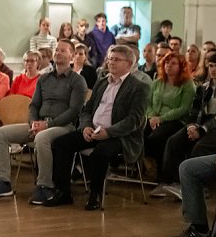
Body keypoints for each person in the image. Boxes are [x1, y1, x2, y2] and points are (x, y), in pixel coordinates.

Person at [48, 45, 150, 210]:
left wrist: (108, 132)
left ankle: (95, 195)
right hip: (94, 130)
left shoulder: (139, 87)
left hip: (121, 136)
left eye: (116, 59)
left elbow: (134, 120)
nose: (111, 62)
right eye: (110, 59)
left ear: (129, 63)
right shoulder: (102, 82)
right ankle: (63, 192)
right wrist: (86, 127)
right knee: (61, 144)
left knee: (100, 153)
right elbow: (87, 109)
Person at [0, 40, 87, 203]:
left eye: (63, 50)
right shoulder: (44, 79)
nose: (58, 53)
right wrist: (34, 122)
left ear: (72, 56)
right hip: (38, 124)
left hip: (63, 126)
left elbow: (74, 111)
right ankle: (3, 182)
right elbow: (34, 105)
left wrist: (47, 125)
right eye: (57, 50)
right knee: (2, 133)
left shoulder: (77, 81)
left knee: (42, 137)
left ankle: (44, 186)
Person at [155, 51, 216, 198]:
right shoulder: (203, 87)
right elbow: (194, 111)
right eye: (211, 66)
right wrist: (191, 126)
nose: (213, 69)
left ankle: (199, 187)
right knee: (173, 141)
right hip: (200, 125)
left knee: (200, 147)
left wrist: (201, 130)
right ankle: (172, 182)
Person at [143, 52, 195, 185]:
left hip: (176, 120)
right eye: (166, 62)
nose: (169, 66)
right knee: (139, 133)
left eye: (173, 63)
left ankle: (162, 173)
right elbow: (148, 103)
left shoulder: (187, 84)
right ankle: (150, 168)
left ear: (181, 66)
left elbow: (184, 108)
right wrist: (152, 116)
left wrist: (161, 118)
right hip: (154, 118)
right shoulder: (158, 82)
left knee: (156, 138)